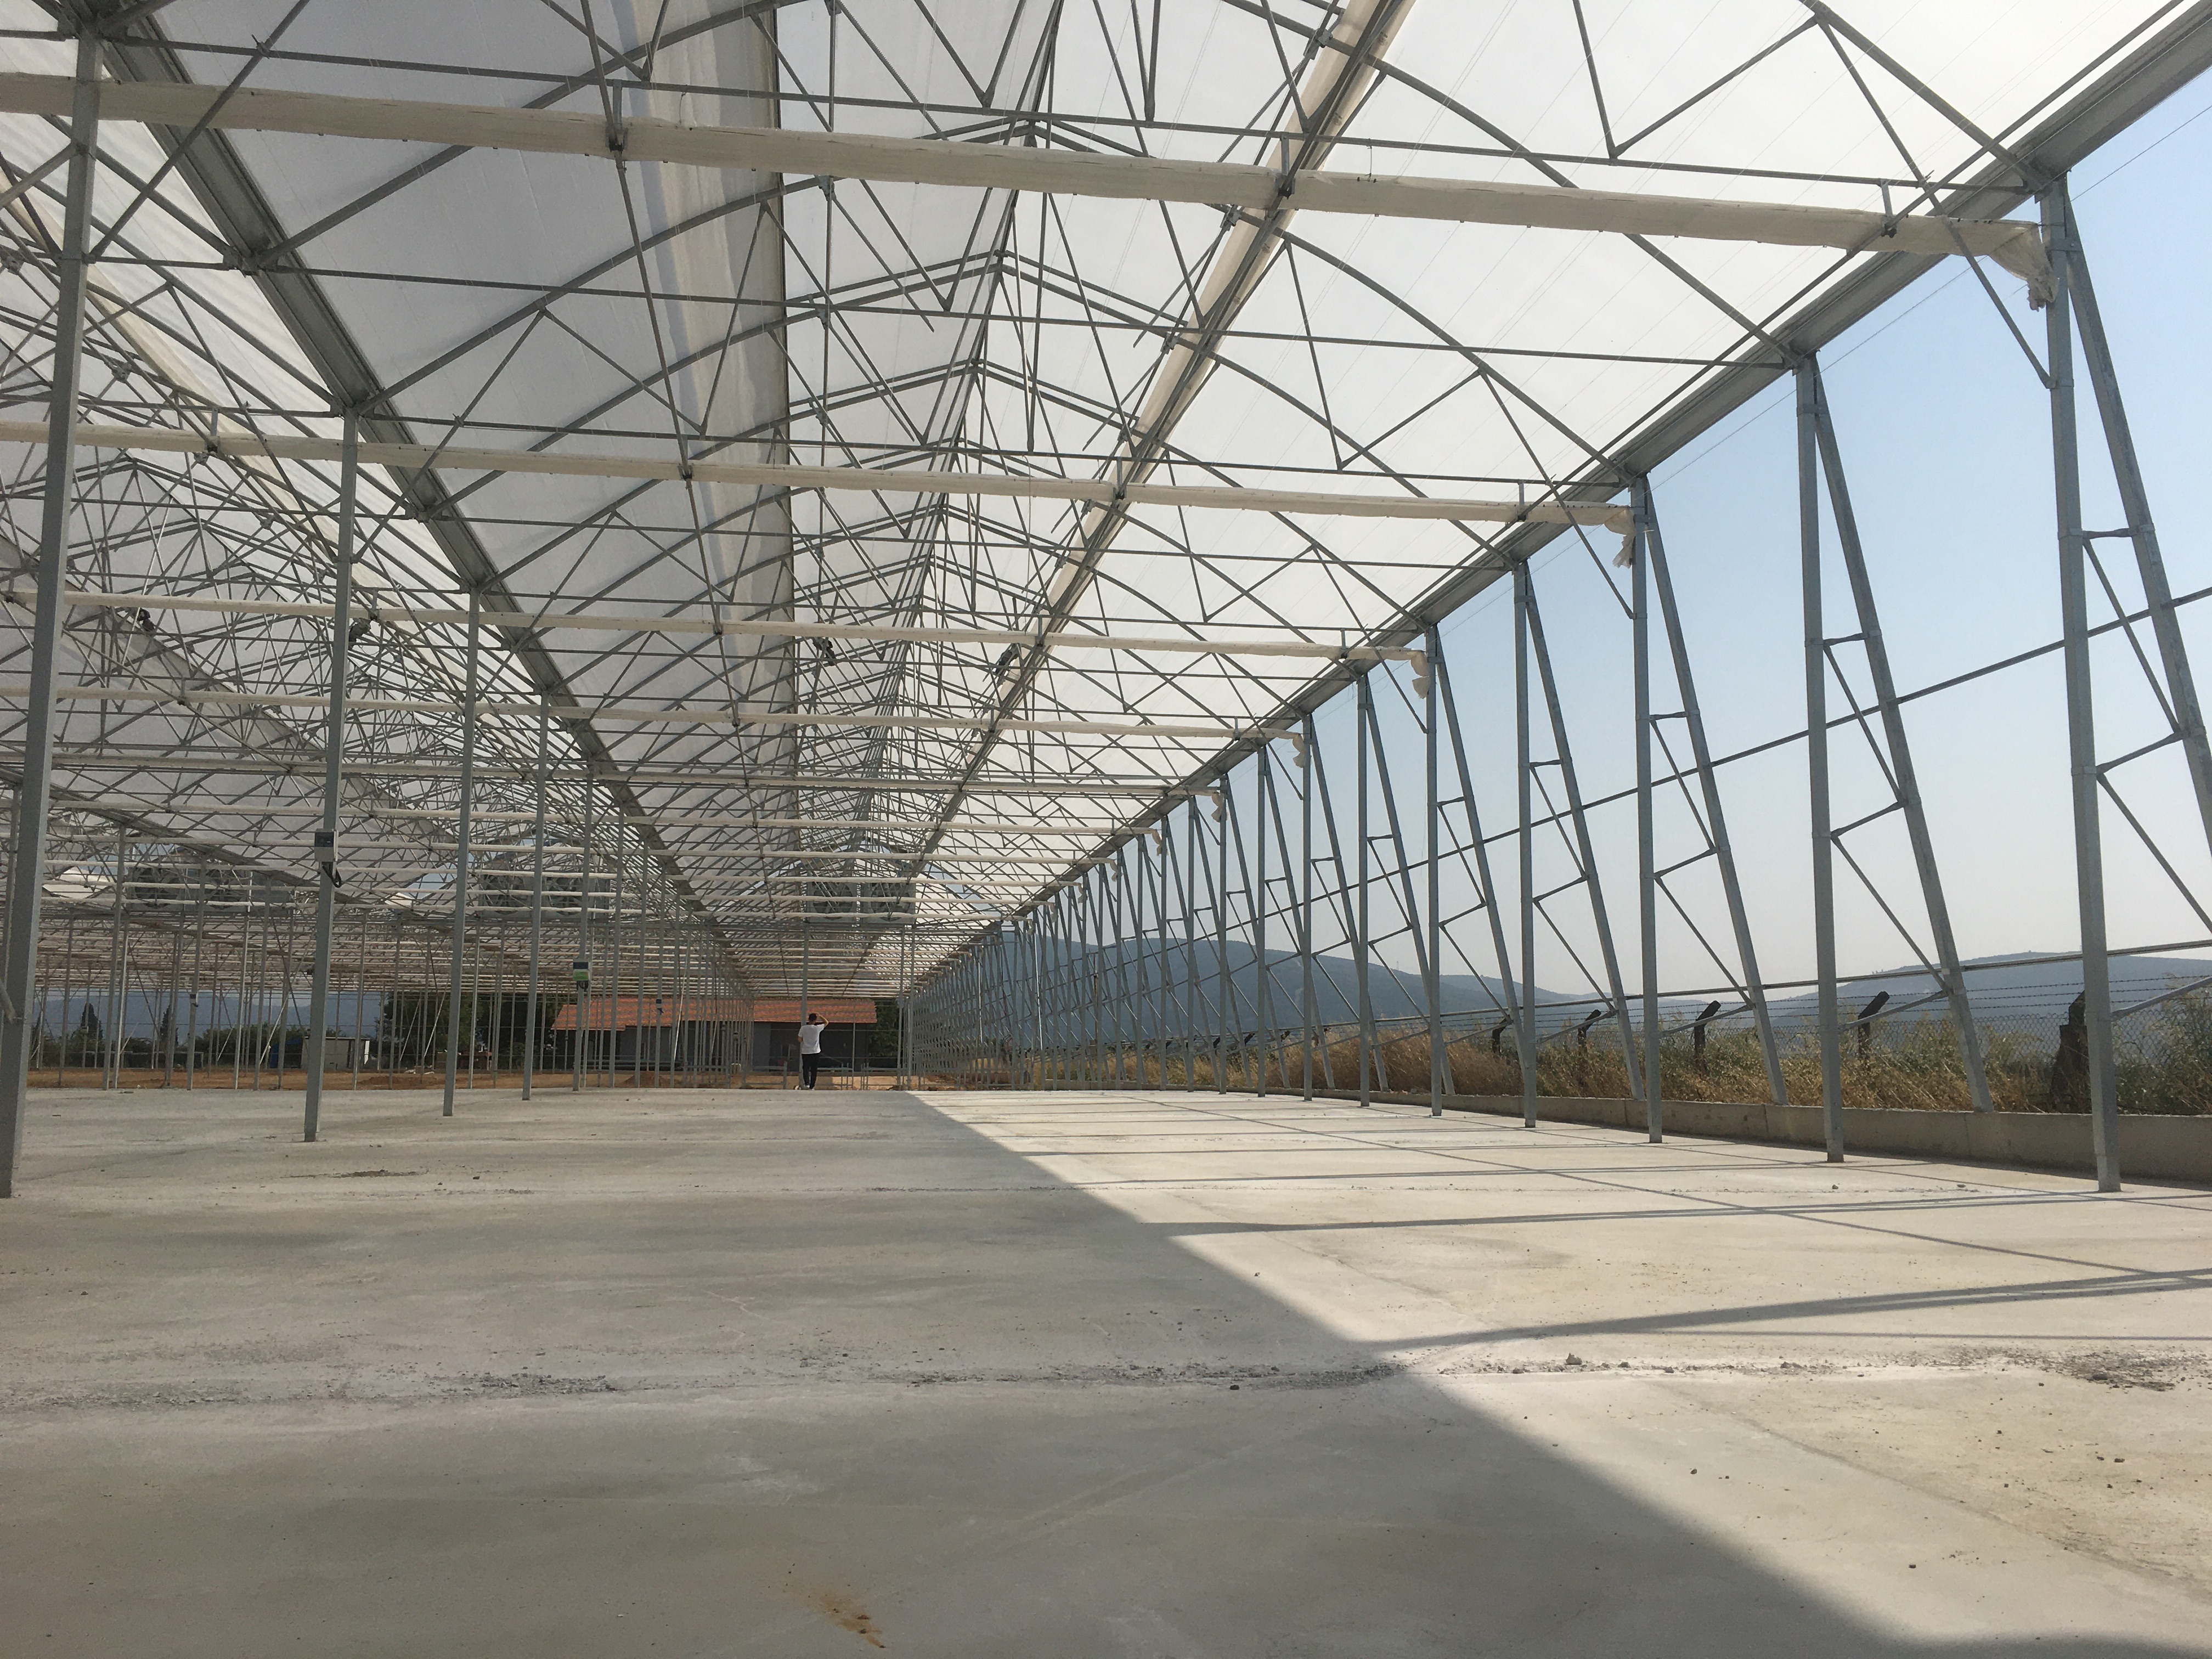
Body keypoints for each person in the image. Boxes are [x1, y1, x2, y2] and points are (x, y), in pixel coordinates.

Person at [799, 1013, 826, 1089]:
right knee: (814, 1070)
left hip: (806, 1051)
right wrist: (820, 1016)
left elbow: (799, 1039)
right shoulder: (817, 1028)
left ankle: (807, 1083)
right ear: (815, 1020)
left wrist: (805, 1040)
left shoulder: (803, 1028)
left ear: (809, 1019)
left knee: (806, 1068)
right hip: (815, 1051)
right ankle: (812, 1086)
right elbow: (826, 1022)